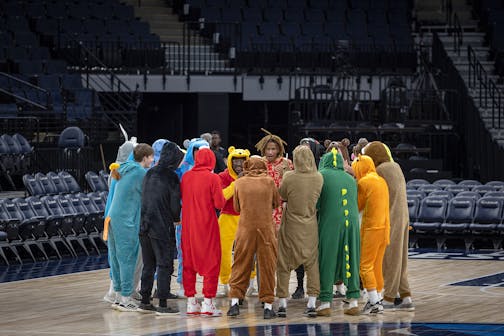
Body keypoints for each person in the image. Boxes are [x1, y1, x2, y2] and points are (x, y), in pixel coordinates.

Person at [227, 157, 281, 319]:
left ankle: (235, 303)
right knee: (267, 267)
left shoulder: (240, 183)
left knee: (240, 264)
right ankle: (268, 306)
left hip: (245, 229)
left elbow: (236, 207)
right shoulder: (269, 182)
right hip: (266, 229)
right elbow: (276, 203)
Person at [363, 141, 415, 311]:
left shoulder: (380, 170)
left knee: (390, 260)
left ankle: (390, 298)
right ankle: (406, 296)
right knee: (401, 260)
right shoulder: (395, 166)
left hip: (391, 219)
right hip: (403, 218)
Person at [137, 142, 184, 315]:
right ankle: (163, 304)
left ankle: (145, 300)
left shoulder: (149, 173)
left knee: (148, 265)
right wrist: (176, 218)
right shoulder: (171, 177)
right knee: (164, 264)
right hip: (161, 226)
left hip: (144, 225)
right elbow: (174, 203)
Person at [276, 145, 323, 318]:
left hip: (290, 226)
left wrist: (283, 174)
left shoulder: (289, 176)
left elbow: (282, 195)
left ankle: (282, 304)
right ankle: (311, 303)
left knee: (284, 264)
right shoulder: (319, 177)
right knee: (312, 265)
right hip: (310, 225)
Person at [106, 143, 154, 312]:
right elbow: (150, 195)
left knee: (116, 259)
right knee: (127, 259)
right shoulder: (140, 172)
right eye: (151, 157)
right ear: (146, 157)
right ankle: (126, 297)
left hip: (112, 218)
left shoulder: (124, 168)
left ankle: (119, 296)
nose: (153, 160)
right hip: (125, 220)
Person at [181, 148, 226, 316]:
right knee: (211, 262)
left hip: (188, 225)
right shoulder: (213, 178)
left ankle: (191, 303)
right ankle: (208, 303)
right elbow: (219, 204)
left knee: (188, 263)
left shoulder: (185, 177)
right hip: (206, 225)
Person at [316, 149, 361, 316]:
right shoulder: (351, 179)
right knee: (352, 257)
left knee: (327, 259)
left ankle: (325, 302)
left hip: (330, 222)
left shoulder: (321, 176)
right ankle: (354, 300)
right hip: (353, 223)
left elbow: (317, 204)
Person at [352, 154, 390, 315]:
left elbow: (357, 206)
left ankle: (374, 301)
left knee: (365, 266)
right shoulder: (381, 180)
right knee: (376, 266)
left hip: (371, 229)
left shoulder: (364, 182)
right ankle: (378, 297)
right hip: (384, 228)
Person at [175, 138, 210, 297]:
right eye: (197, 150)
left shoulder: (210, 170)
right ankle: (184, 285)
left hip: (204, 215)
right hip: (186, 214)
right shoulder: (183, 168)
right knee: (184, 250)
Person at [216, 146, 252, 298]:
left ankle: (251, 281)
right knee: (223, 251)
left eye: (241, 162)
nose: (238, 165)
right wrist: (237, 182)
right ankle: (225, 282)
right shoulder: (222, 177)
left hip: (247, 217)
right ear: (230, 161)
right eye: (235, 162)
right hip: (227, 217)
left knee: (249, 251)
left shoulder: (253, 175)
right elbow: (222, 197)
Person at [103, 139, 135, 305]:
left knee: (115, 257)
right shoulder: (124, 171)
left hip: (110, 215)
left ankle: (115, 292)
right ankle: (117, 293)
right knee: (120, 258)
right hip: (118, 218)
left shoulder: (117, 169)